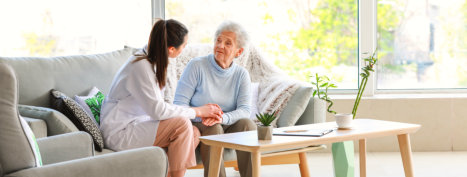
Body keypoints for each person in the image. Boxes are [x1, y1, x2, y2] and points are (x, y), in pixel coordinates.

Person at [100, 19, 223, 177]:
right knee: (182, 125)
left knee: (193, 133)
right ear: (171, 49)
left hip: (137, 124)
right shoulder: (140, 67)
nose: (185, 49)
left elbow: (160, 107)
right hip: (120, 132)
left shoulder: (153, 61)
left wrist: (199, 112)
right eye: (184, 46)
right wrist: (198, 111)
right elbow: (158, 111)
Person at [174, 21, 256, 177]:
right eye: (218, 40)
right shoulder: (196, 66)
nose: (220, 46)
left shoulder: (241, 74)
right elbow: (179, 105)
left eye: (228, 43)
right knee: (214, 129)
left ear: (239, 52)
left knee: (248, 125)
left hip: (226, 122)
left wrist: (222, 117)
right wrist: (202, 114)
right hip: (200, 123)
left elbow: (245, 110)